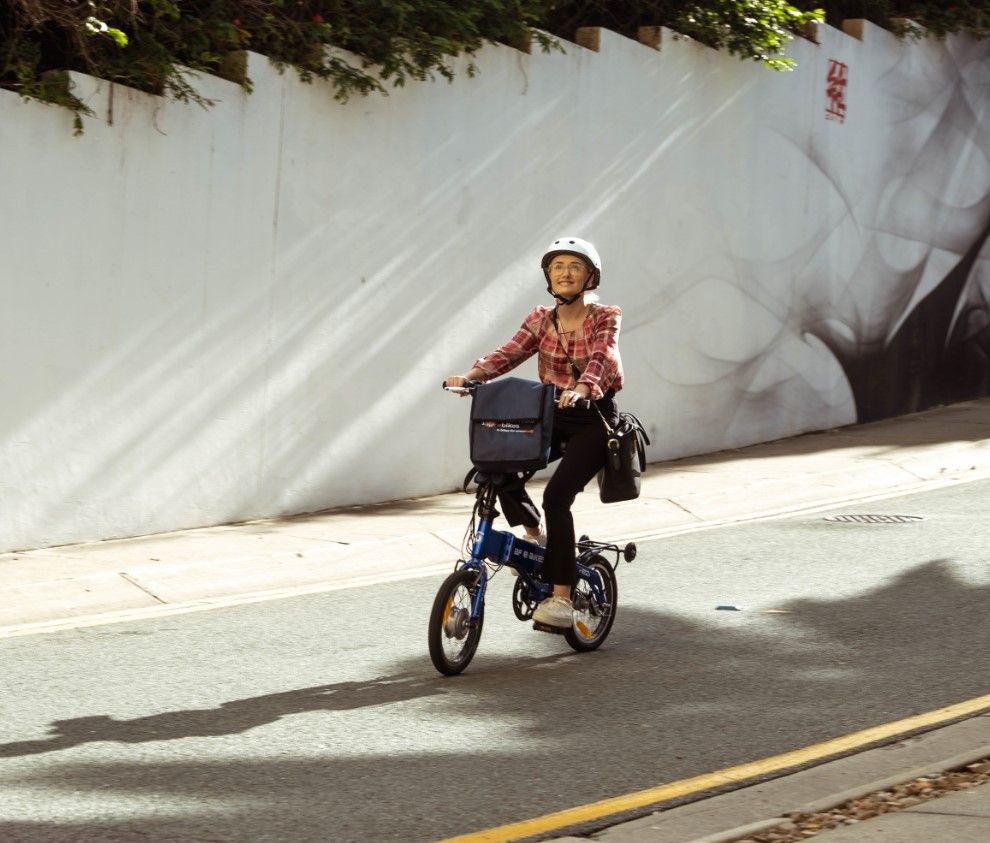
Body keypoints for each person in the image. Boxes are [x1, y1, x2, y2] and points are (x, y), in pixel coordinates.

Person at [445, 236, 624, 629]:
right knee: (496, 466)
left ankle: (562, 599)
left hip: (594, 418)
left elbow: (602, 356)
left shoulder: (605, 315)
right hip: (552, 415)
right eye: (558, 267)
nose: (565, 273)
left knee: (557, 496)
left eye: (574, 267)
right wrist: (471, 377)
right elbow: (509, 352)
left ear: (589, 277)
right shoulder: (541, 319)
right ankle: (536, 538)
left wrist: (582, 389)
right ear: (548, 275)